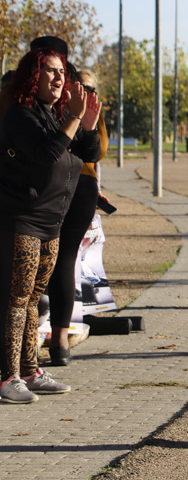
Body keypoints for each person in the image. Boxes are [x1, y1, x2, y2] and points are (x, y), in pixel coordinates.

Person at [0, 45, 98, 403]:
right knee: (15, 300)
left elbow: (88, 155)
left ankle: (30, 370)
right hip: (21, 220)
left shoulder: (54, 115)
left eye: (62, 73)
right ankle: (7, 377)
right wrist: (72, 120)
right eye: (51, 72)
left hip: (50, 224)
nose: (59, 78)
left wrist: (85, 127)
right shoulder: (19, 115)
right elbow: (46, 155)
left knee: (31, 302)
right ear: (33, 76)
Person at [45, 68, 108, 366]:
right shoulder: (47, 105)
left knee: (65, 260)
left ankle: (60, 338)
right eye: (80, 85)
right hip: (45, 187)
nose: (85, 91)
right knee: (43, 260)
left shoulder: (90, 107)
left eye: (90, 88)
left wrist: (88, 127)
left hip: (80, 185)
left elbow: (96, 152)